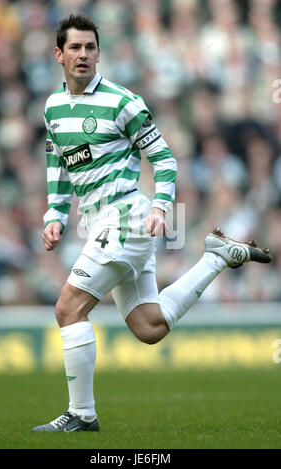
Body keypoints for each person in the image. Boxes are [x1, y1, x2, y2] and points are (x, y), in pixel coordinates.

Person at [32, 14, 272, 432]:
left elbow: (163, 158)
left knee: (68, 308)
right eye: (75, 47)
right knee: (149, 326)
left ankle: (82, 415)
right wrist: (55, 214)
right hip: (102, 222)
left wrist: (162, 206)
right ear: (59, 54)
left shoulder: (123, 101)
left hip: (126, 217)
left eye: (90, 47)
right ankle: (216, 258)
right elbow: (58, 163)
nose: (83, 54)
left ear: (99, 52)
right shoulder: (52, 107)